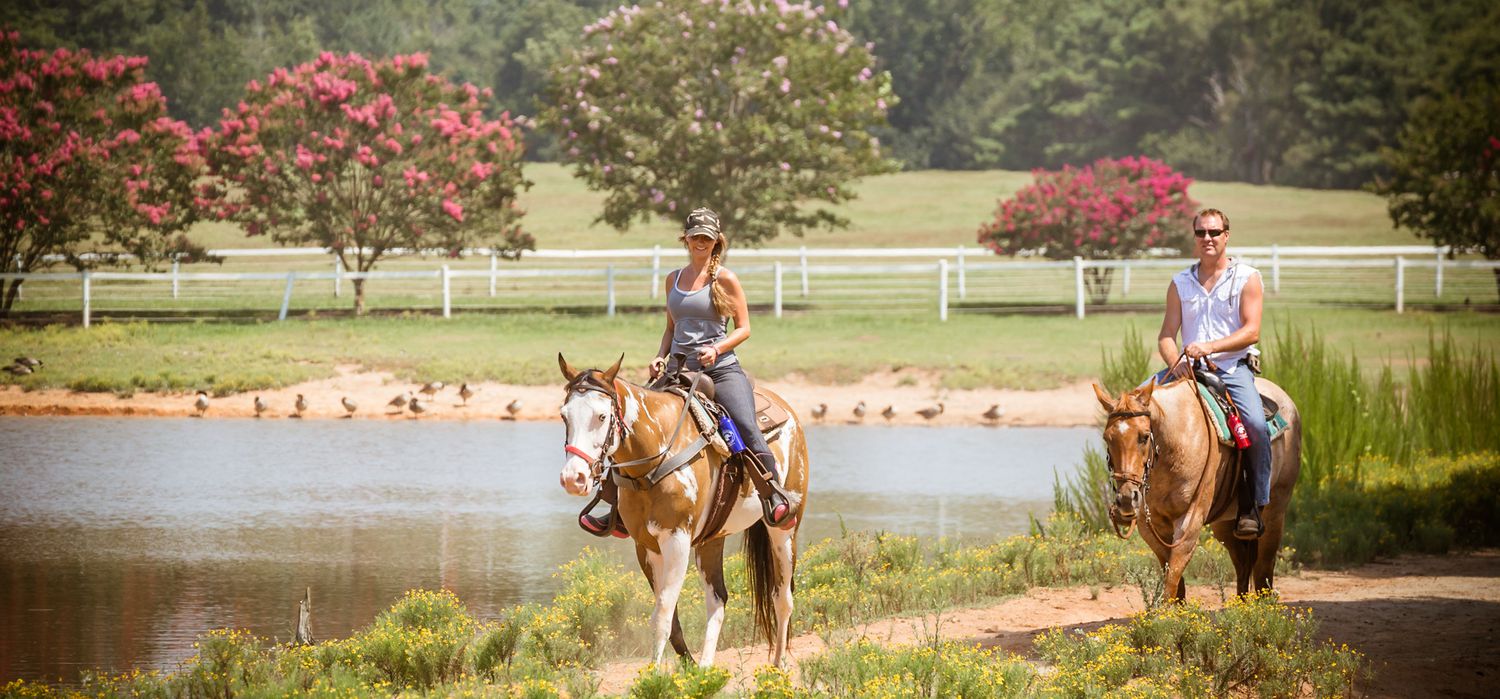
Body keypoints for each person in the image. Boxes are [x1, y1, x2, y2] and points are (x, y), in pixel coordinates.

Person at [579, 207, 791, 535]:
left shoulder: (726, 279)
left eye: (707, 238)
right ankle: (615, 508)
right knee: (629, 422)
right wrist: (660, 355)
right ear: (686, 240)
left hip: (719, 369)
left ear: (716, 242)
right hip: (678, 370)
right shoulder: (673, 280)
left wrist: (716, 348)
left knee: (746, 426)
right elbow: (670, 327)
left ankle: (774, 494)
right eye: (695, 238)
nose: (700, 243)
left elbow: (744, 328)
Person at [1151, 208, 1271, 540]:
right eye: (1201, 233)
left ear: (1226, 236)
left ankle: (1254, 505)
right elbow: (1166, 335)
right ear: (1194, 237)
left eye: (1214, 233)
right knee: (1132, 411)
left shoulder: (1246, 278)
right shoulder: (1180, 283)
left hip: (1231, 369)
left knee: (1257, 426)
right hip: (1186, 370)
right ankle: (1135, 497)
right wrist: (1178, 364)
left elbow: (1252, 332)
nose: (1208, 239)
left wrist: (1209, 347)